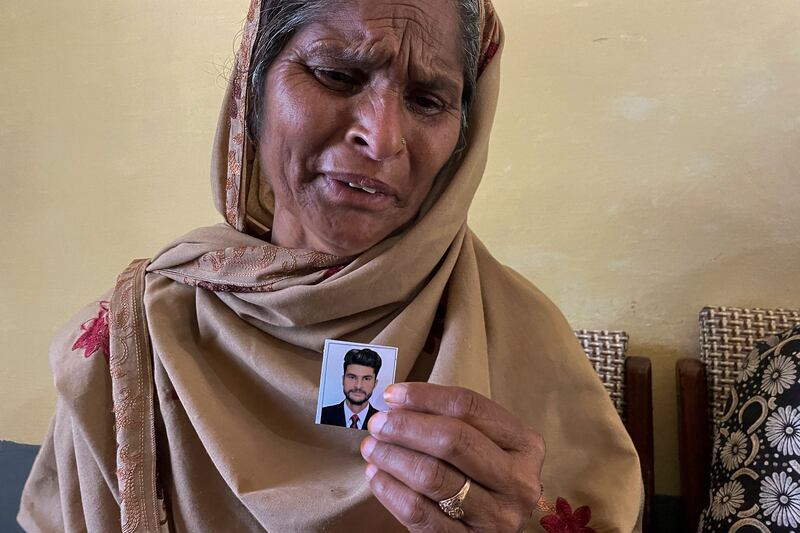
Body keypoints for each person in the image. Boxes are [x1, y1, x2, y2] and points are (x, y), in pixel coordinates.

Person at [19, 0, 645, 531]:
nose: (383, 136)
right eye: (336, 74)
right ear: (252, 93)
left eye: (429, 99)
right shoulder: (133, 342)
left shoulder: (526, 339)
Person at [321, 348, 383, 430]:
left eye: (366, 379)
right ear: (343, 380)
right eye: (352, 377)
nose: (358, 386)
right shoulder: (322, 415)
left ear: (375, 383)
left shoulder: (383, 421)